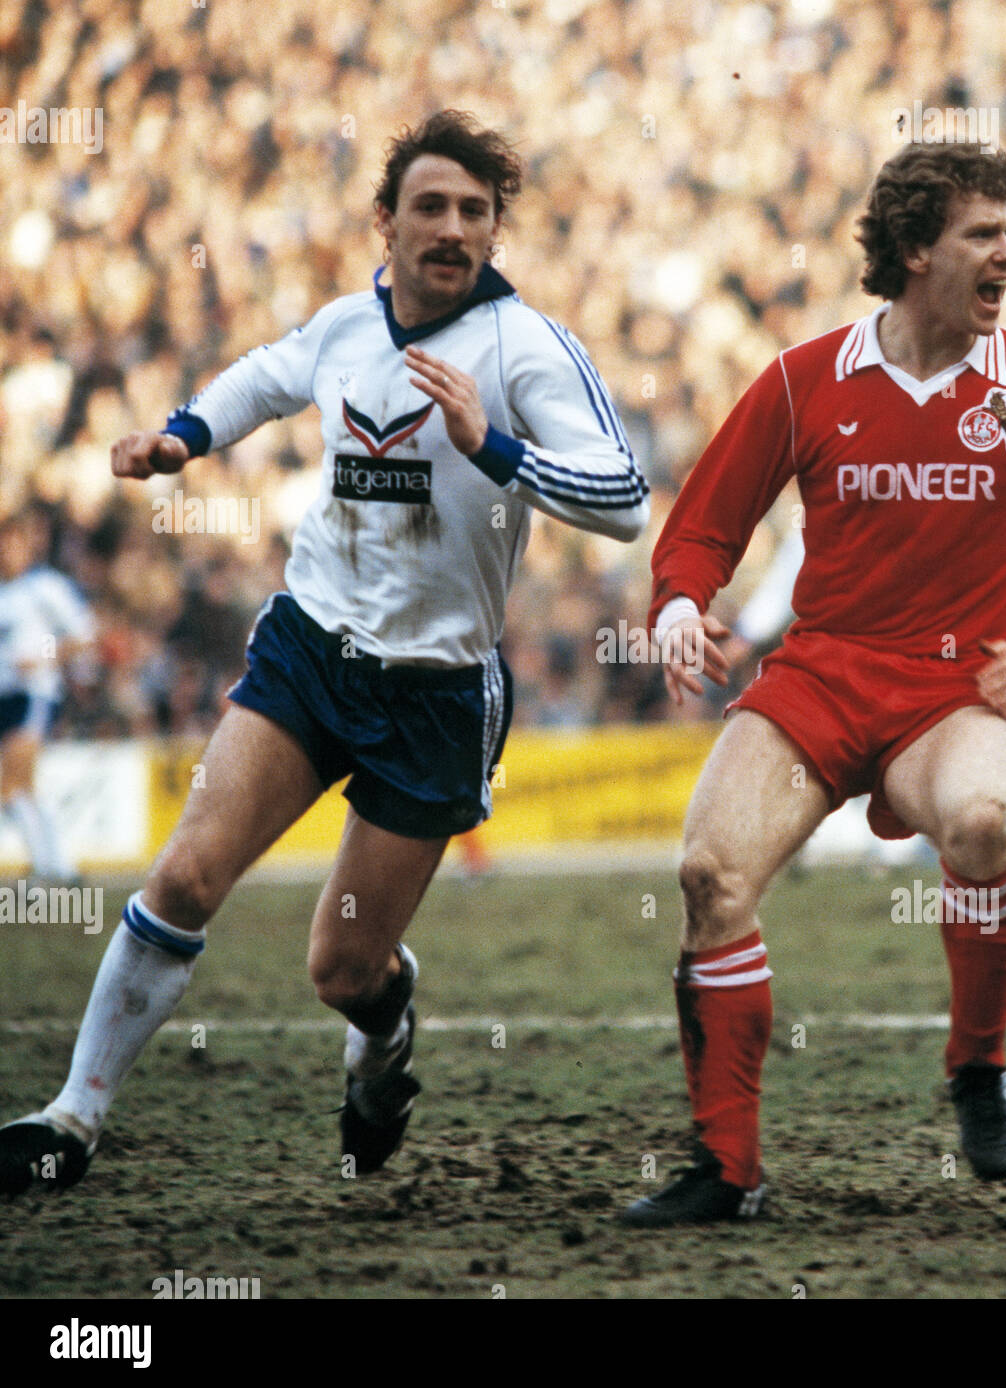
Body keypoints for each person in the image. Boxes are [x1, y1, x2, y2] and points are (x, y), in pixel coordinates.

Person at [0, 110, 649, 1194]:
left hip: (434, 694)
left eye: (473, 212)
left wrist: (490, 441)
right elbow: (267, 372)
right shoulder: (350, 324)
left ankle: (385, 1028)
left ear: (496, 231)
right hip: (309, 650)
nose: (450, 228)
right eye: (429, 206)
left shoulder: (522, 347)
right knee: (187, 872)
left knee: (339, 967)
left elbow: (623, 499)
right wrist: (184, 436)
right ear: (384, 219)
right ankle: (73, 1115)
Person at [622, 142, 1006, 1226]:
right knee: (709, 876)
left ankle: (976, 1067)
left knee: (982, 823)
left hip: (955, 690)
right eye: (982, 233)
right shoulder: (802, 380)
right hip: (819, 675)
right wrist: (674, 608)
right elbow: (704, 525)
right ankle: (728, 1169)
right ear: (912, 250)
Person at [0, 509, 95, 883]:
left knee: (14, 780)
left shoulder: (45, 588)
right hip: (5, 696)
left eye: (13, 544)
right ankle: (58, 869)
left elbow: (84, 636)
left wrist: (43, 658)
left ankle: (50, 869)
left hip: (34, 694)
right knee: (19, 787)